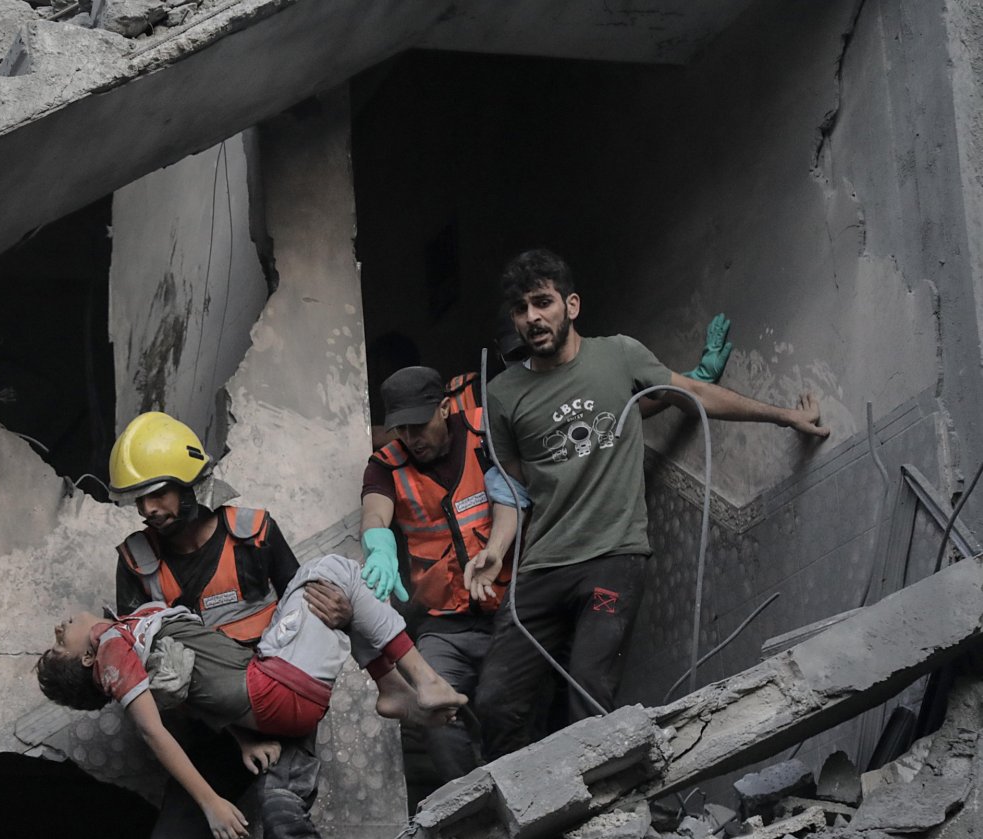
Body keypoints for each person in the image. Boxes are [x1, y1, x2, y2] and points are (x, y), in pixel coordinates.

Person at [464, 249, 829, 761]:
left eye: (542, 302)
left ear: (571, 304)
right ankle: (512, 821)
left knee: (589, 692)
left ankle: (592, 819)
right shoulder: (503, 395)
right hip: (543, 565)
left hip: (614, 557)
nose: (532, 318)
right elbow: (512, 491)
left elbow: (693, 395)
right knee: (497, 699)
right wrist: (497, 551)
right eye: (521, 309)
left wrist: (784, 417)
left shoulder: (619, 355)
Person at [37, 554, 464, 839]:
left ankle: (392, 690)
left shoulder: (127, 634)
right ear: (89, 658)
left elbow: (190, 695)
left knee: (320, 589)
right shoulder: (112, 649)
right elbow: (153, 731)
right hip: (277, 687)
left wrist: (245, 737)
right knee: (332, 570)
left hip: (270, 684)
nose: (59, 630)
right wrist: (211, 804)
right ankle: (421, 681)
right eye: (60, 646)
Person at [360, 366, 523, 787]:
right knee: (431, 705)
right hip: (443, 622)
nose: (412, 438)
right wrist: (378, 544)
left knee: (506, 704)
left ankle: (528, 796)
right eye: (401, 428)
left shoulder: (487, 431)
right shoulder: (385, 466)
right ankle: (474, 805)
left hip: (511, 609)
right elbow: (376, 509)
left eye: (420, 425)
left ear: (446, 408)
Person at [111, 411, 328, 641]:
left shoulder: (257, 533)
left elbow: (307, 614)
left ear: (189, 486)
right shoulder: (135, 562)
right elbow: (134, 649)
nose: (146, 509)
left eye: (158, 494)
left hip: (271, 671)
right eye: (138, 499)